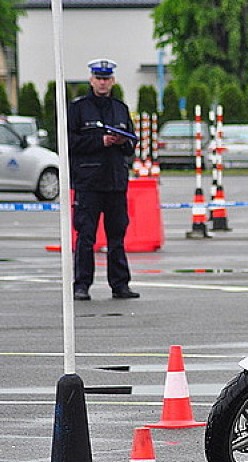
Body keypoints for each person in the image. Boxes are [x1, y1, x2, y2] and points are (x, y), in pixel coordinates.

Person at [69, 58, 139, 300]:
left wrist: (123, 141)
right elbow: (69, 142)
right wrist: (100, 141)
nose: (102, 83)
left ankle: (120, 285)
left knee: (117, 237)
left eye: (106, 78)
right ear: (91, 80)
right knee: (86, 236)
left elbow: (131, 145)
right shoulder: (78, 109)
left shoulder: (120, 108)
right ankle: (81, 285)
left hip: (115, 182)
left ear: (113, 81)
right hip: (88, 183)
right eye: (98, 78)